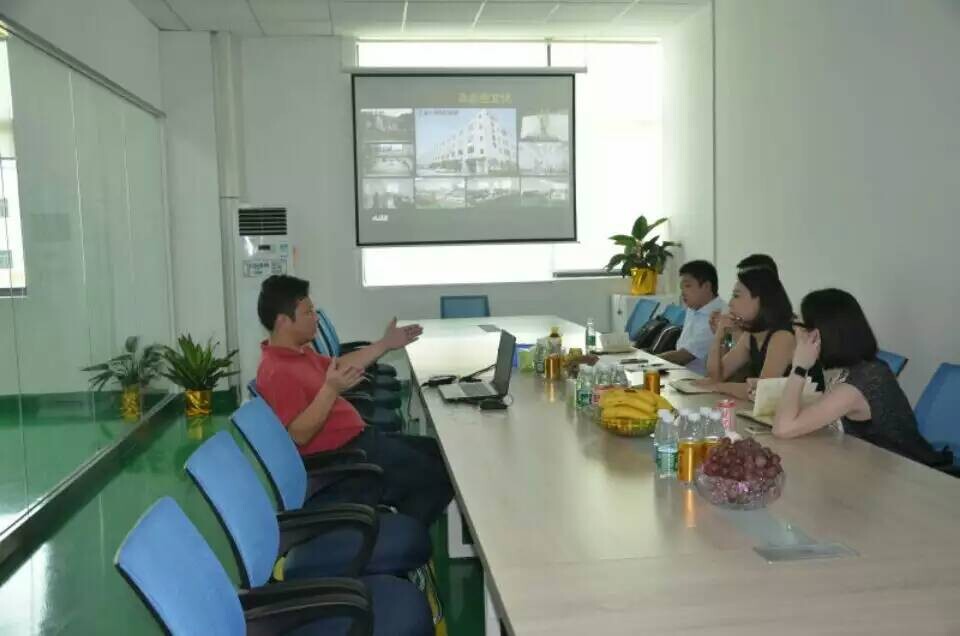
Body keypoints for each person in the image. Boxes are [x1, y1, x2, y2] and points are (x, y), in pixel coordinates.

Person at [254, 274, 454, 527]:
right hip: (346, 456)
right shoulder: (277, 372)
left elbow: (341, 365)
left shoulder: (298, 353)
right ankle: (402, 534)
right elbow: (298, 435)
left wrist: (385, 344)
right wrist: (330, 390)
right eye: (308, 312)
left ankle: (402, 521)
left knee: (438, 453)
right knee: (440, 476)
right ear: (283, 321)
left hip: (360, 439)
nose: (315, 317)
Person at [773, 289, 950, 466]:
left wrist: (799, 367)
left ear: (818, 335)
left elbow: (783, 428)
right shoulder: (858, 368)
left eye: (801, 326)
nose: (796, 332)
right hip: (875, 465)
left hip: (915, 474)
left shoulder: (860, 383)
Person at [699, 267, 796, 399]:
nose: (730, 303)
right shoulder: (750, 335)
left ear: (761, 300)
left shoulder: (782, 336)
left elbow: (763, 390)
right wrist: (719, 335)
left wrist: (717, 387)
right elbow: (715, 377)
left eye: (736, 296)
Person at [659, 260, 726, 375]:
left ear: (706, 286)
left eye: (687, 286)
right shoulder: (693, 308)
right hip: (680, 373)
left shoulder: (718, 316)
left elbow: (683, 357)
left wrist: (648, 362)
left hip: (700, 379)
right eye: (682, 288)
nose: (683, 293)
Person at [709, 254, 780, 334]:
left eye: (736, 296)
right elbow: (731, 343)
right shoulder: (746, 325)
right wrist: (722, 333)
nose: (730, 303)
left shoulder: (782, 332)